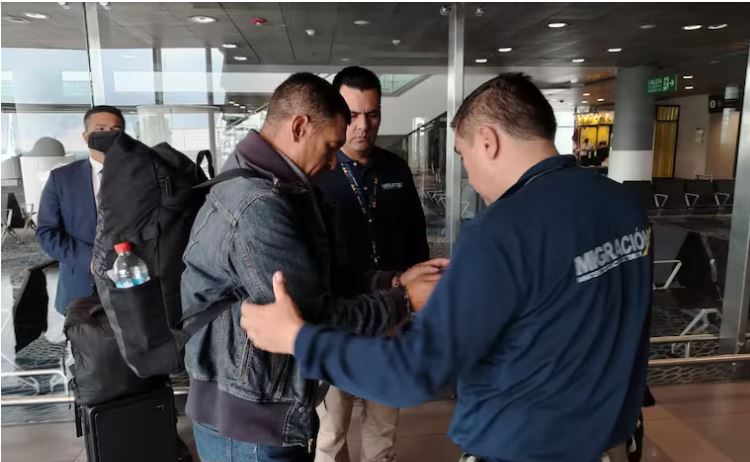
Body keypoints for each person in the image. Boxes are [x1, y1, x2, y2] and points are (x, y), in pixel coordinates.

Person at [242, 73, 653, 462]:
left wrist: (299, 339)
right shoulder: (622, 204)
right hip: (611, 442)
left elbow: (414, 371)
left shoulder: (503, 230)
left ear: (488, 141)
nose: (470, 176)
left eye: (464, 156)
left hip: (526, 448)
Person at [180, 72, 445, 462]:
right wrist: (403, 299)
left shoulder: (278, 186)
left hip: (264, 406)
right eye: (330, 146)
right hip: (251, 422)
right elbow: (310, 320)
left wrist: (391, 279)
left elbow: (321, 276)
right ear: (300, 127)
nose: (334, 161)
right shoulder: (258, 205)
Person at [313, 66, 429, 462]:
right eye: (353, 115)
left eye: (372, 114)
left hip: (393, 313)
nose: (363, 126)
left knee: (383, 427)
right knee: (330, 432)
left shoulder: (394, 169)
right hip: (338, 316)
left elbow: (416, 238)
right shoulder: (318, 172)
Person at [36, 106, 124, 314]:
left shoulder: (140, 176)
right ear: (86, 136)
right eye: (100, 129)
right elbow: (46, 233)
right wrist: (91, 259)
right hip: (79, 287)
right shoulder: (61, 179)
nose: (108, 134)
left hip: (129, 287)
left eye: (115, 130)